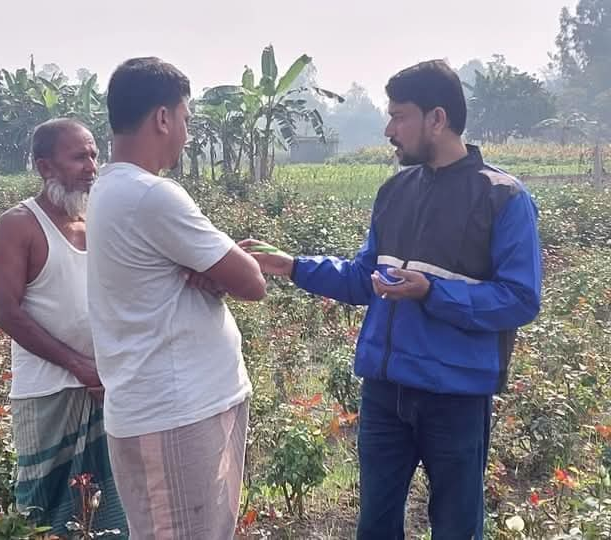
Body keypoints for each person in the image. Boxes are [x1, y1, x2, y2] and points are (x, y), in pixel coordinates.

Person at [241, 60, 542, 539]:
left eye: (399, 116)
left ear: (437, 119)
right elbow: (364, 279)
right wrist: (293, 265)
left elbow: (520, 299)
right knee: (376, 525)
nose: (388, 129)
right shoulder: (396, 190)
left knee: (456, 525)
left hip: (456, 396)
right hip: (386, 392)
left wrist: (432, 292)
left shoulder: (502, 197)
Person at [85, 57, 266, 540]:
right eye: (185, 119)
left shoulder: (113, 190)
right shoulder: (150, 195)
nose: (186, 133)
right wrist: (224, 267)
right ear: (162, 118)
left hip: (186, 406)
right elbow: (253, 281)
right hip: (175, 415)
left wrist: (211, 266)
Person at [0, 118, 127, 537]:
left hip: (105, 386)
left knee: (108, 511)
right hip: (48, 392)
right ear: (44, 166)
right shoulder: (20, 224)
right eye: (78, 157)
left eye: (93, 155)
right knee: (43, 511)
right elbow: (7, 313)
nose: (91, 166)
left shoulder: (98, 223)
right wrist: (78, 366)